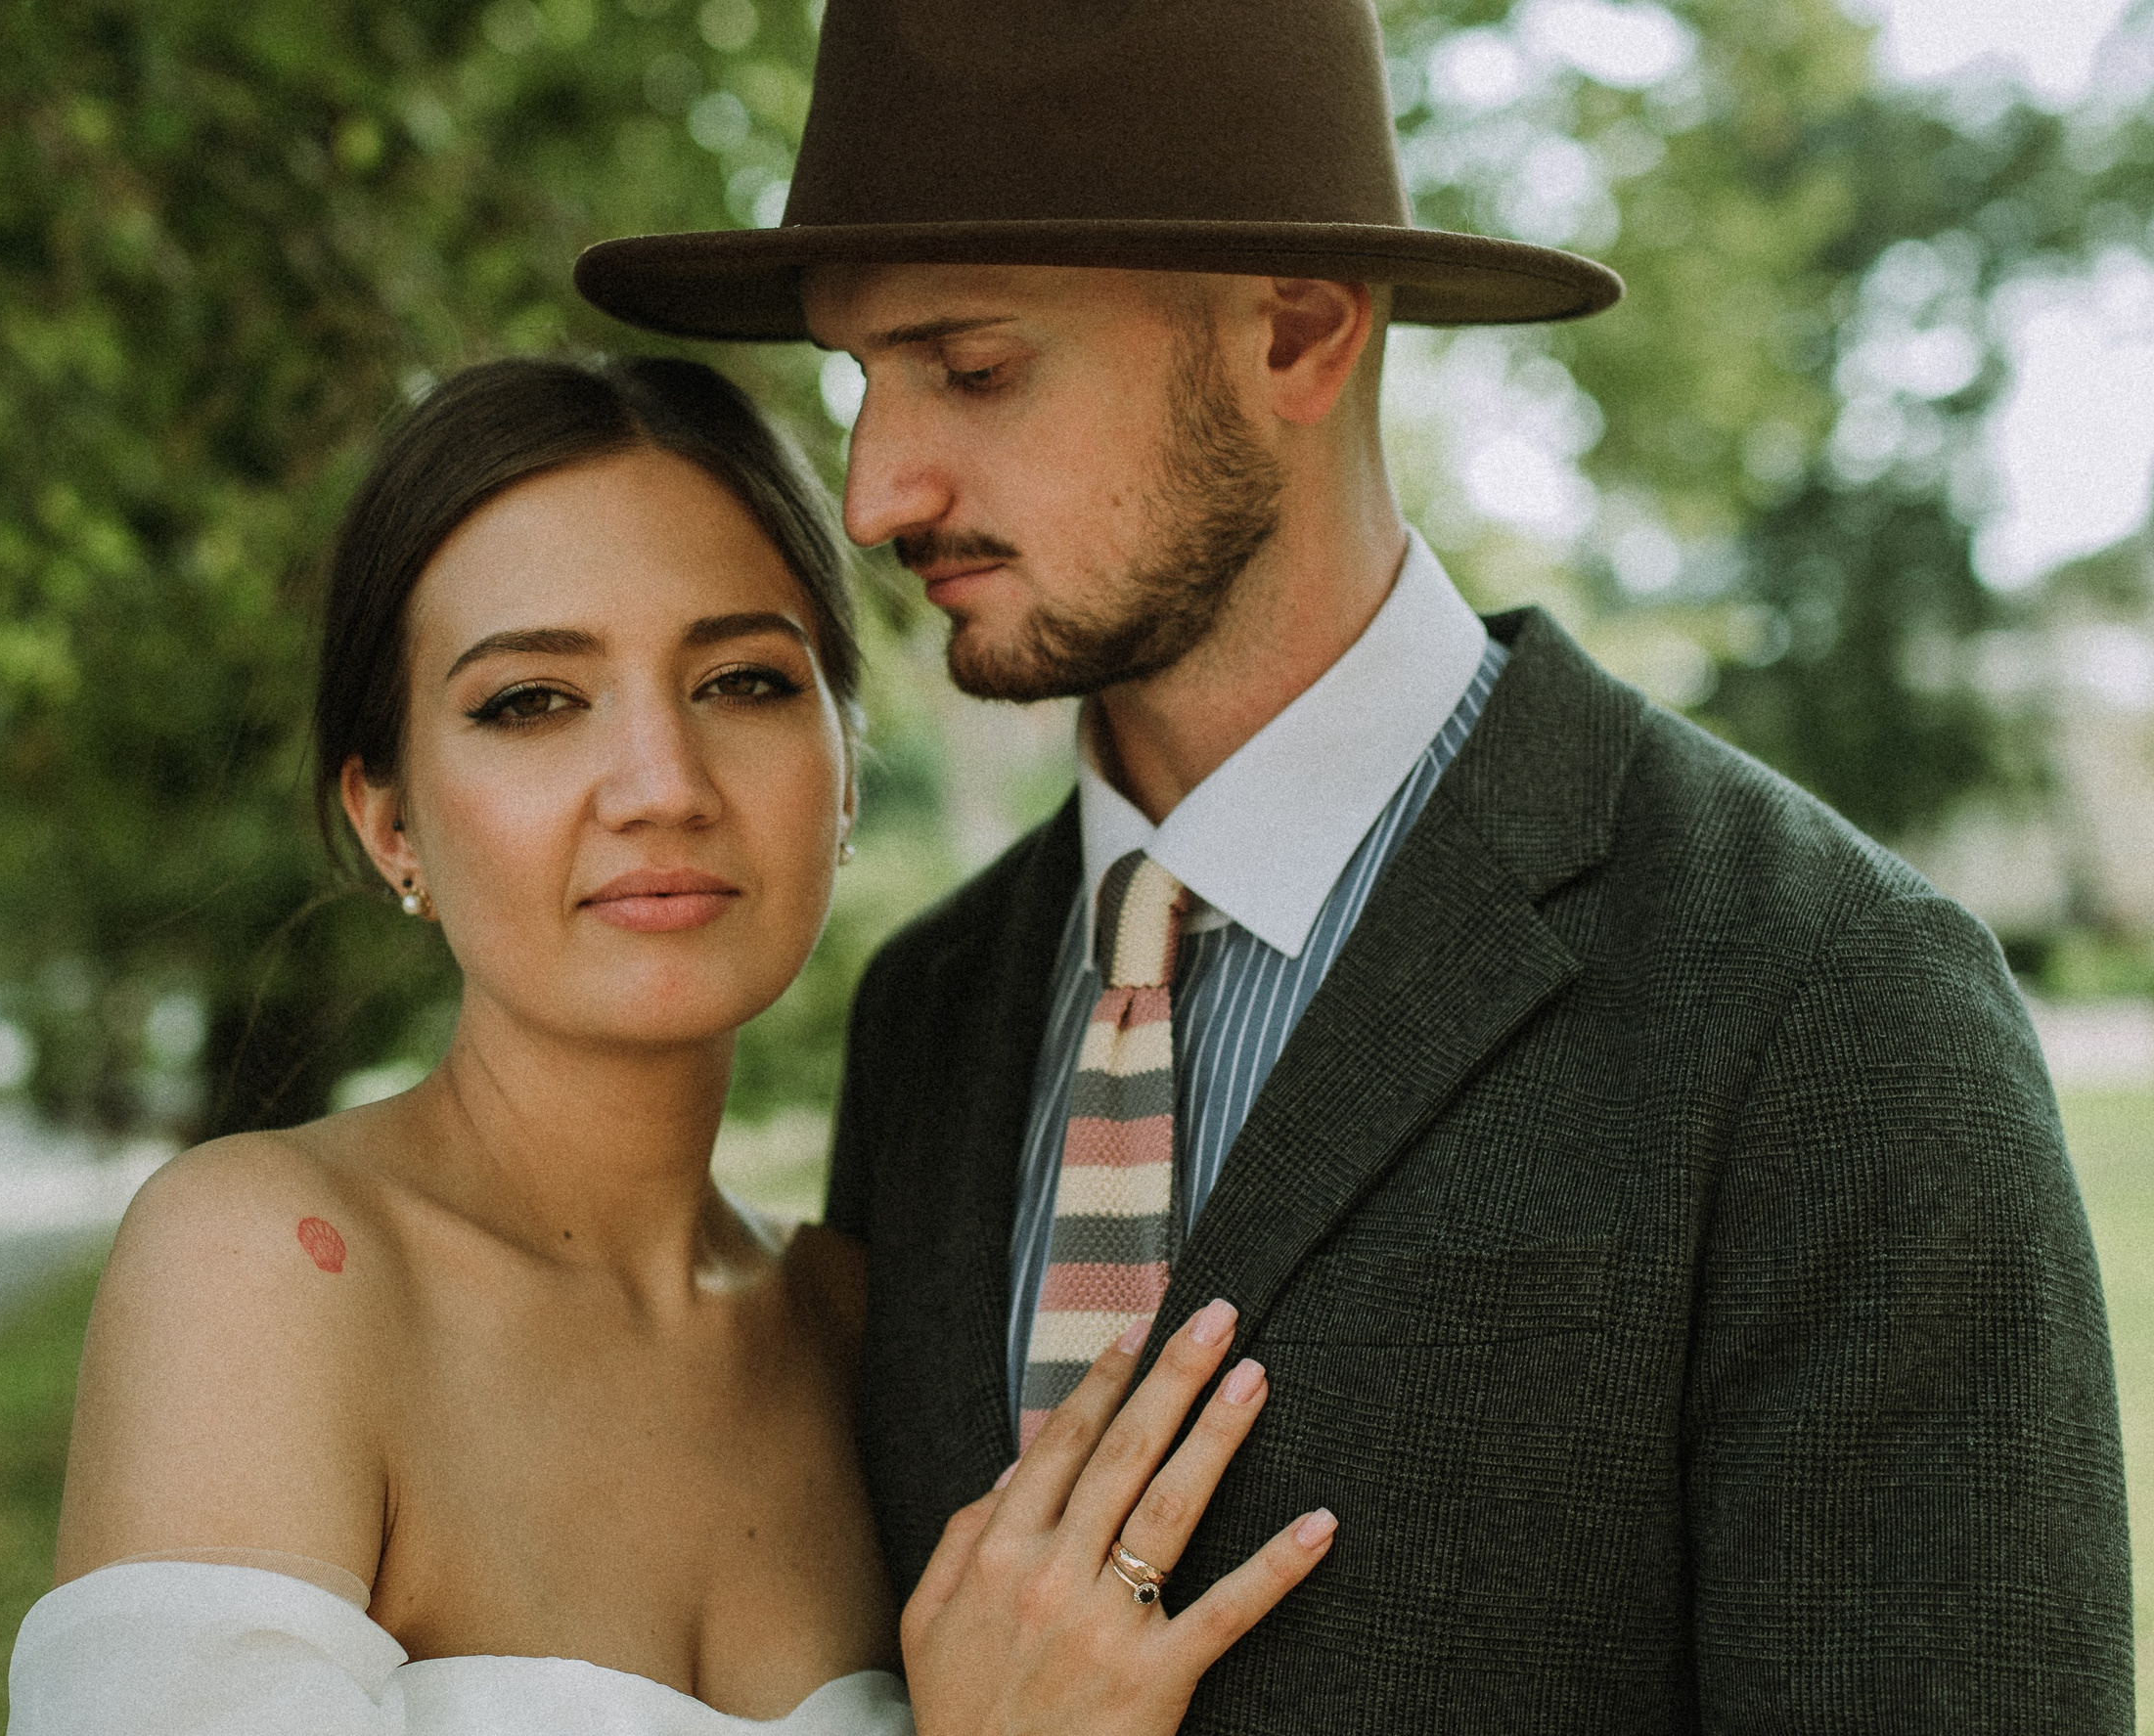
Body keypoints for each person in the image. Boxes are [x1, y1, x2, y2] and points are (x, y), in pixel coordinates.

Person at [572, 0, 2136, 1726]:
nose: (875, 493)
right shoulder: (933, 1009)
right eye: (863, 377)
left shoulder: (1831, 1005)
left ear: (1300, 335)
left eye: (975, 367)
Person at [3, 355, 1340, 1736]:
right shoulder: (269, 1267)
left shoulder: (865, 1324)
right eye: (531, 700)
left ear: (844, 767)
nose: (663, 788)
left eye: (745, 682)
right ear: (388, 820)